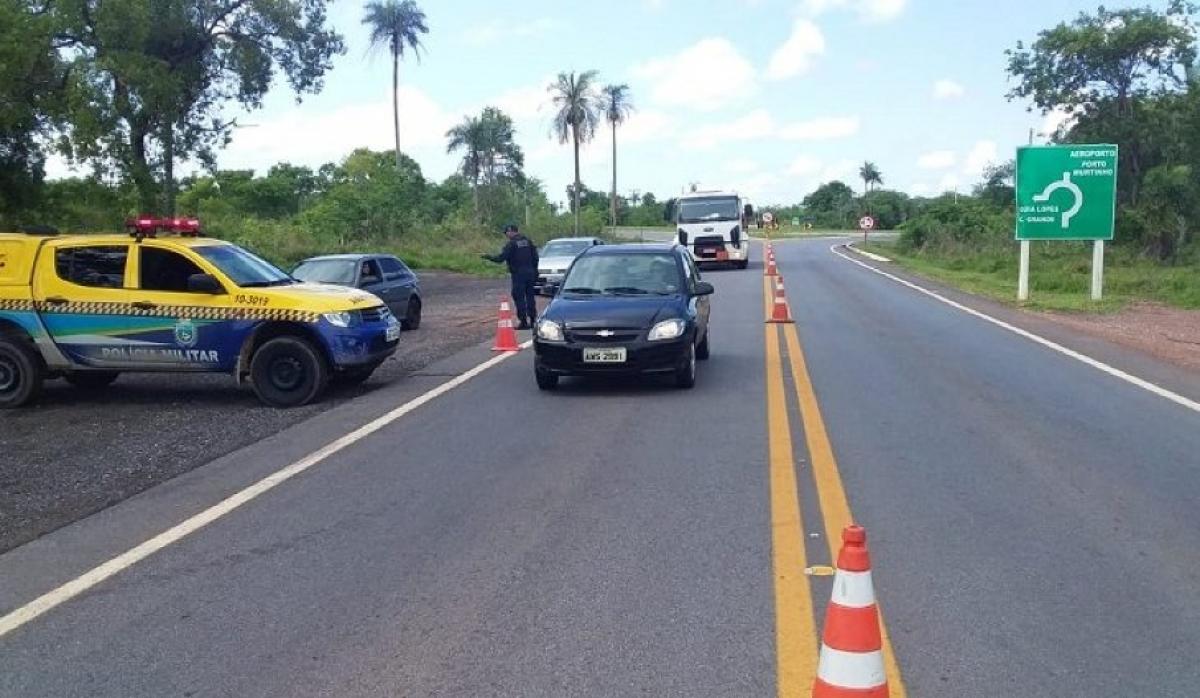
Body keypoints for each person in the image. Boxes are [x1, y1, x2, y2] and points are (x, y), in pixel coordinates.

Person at [482, 223, 539, 329]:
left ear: (511, 231)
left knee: (519, 296)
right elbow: (536, 257)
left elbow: (500, 259)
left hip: (518, 274)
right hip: (530, 273)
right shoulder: (528, 241)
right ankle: (532, 320)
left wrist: (487, 257)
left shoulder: (512, 244)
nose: (506, 235)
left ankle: (523, 322)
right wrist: (535, 271)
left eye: (507, 233)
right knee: (530, 296)